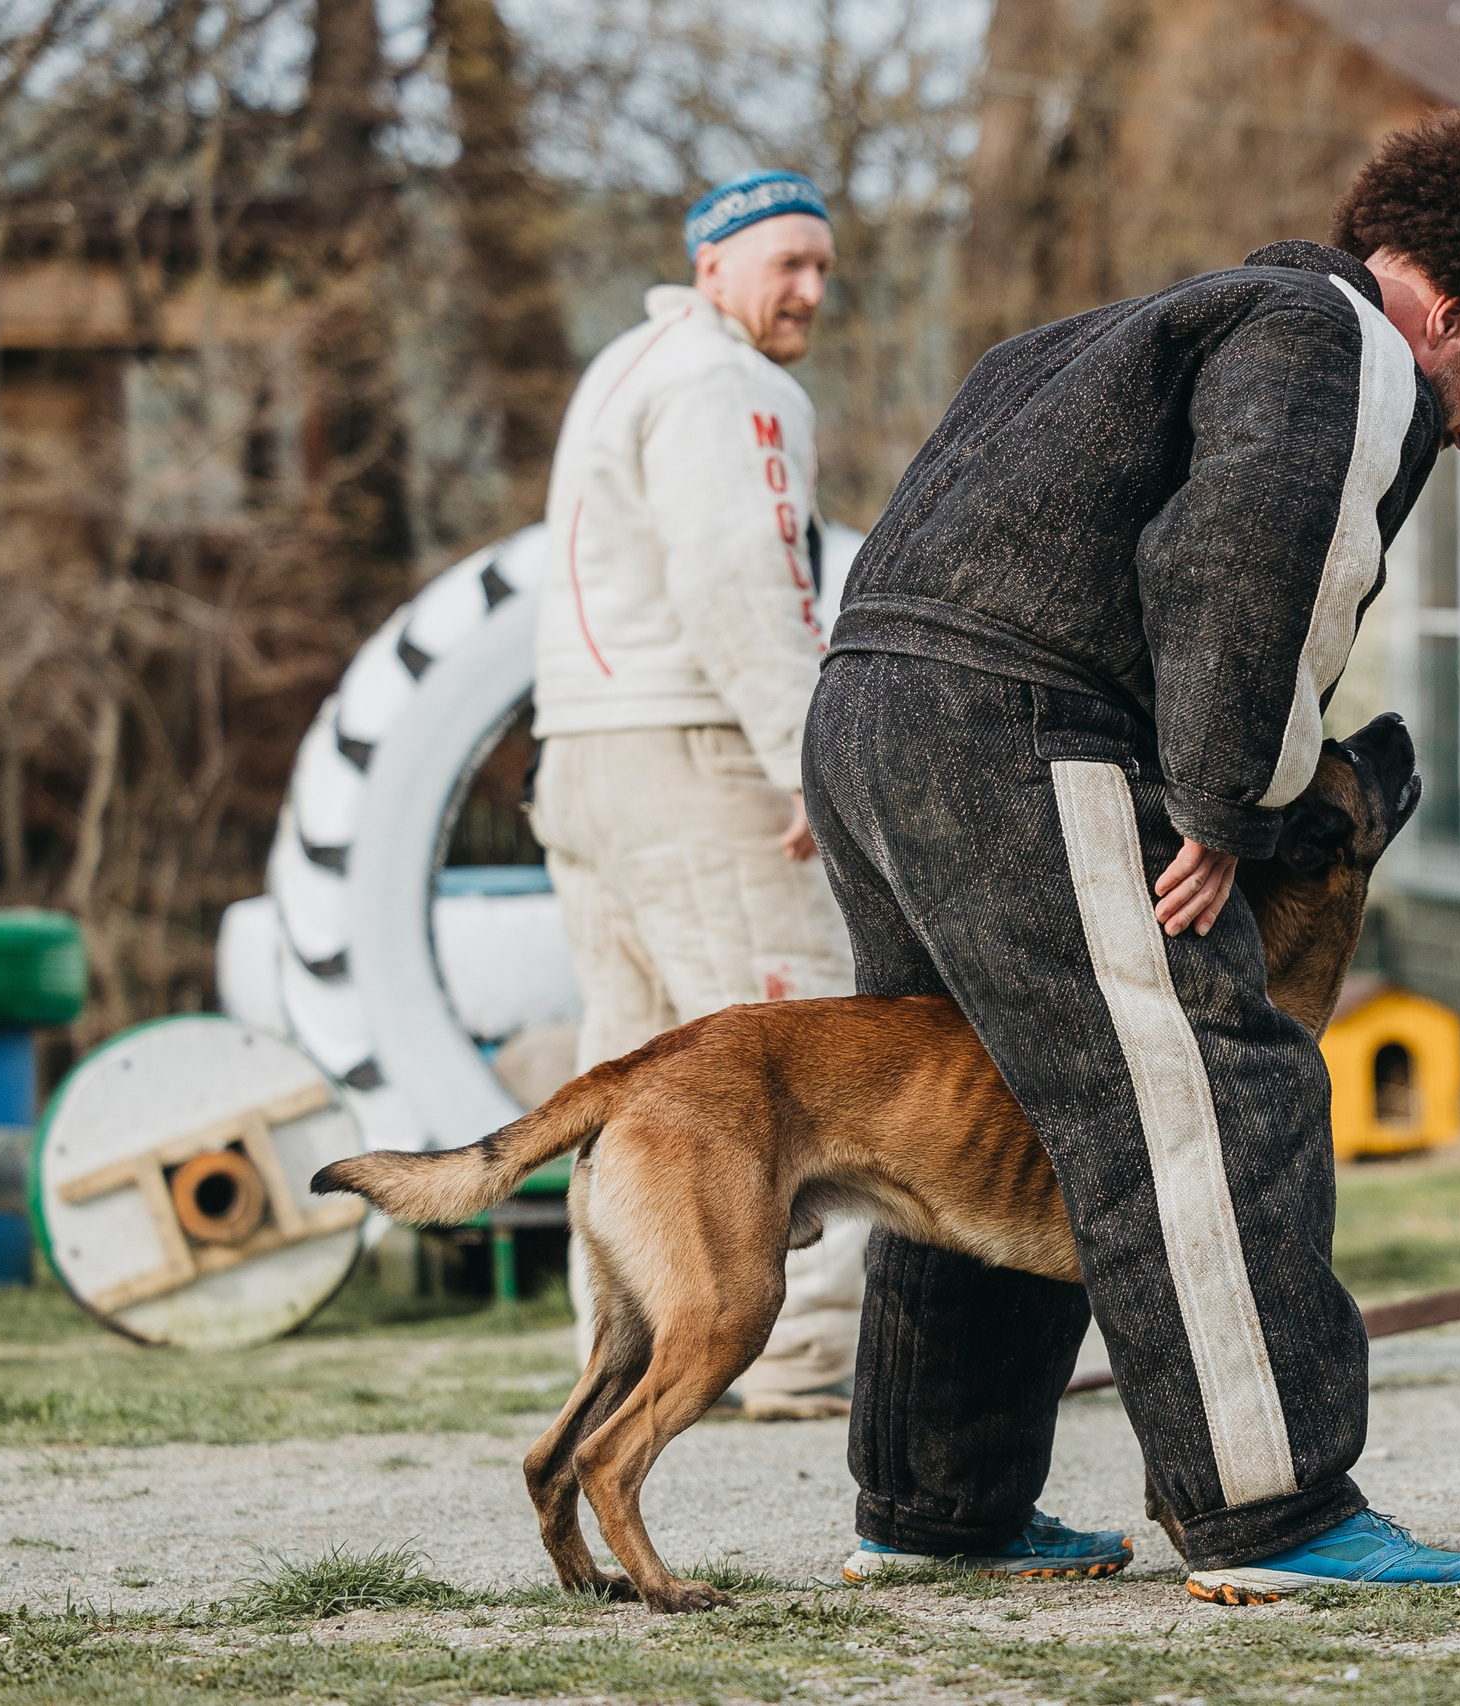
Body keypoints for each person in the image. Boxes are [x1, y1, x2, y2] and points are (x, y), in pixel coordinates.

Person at [804, 111, 1460, 1598]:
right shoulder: (1340, 347)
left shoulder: (1111, 332)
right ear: (1455, 310)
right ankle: (1276, 1511)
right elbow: (1246, 565)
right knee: (1211, 1084)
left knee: (975, 1091)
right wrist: (1224, 809)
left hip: (871, 711)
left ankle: (940, 1503)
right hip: (1023, 725)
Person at [529, 169, 865, 1417]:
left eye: (823, 268)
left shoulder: (627, 365)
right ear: (713, 264)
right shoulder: (731, 386)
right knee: (799, 1059)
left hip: (584, 756)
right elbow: (743, 583)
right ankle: (802, 1358)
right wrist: (805, 760)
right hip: (698, 756)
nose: (810, 290)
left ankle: (624, 1353)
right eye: (787, 263)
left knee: (621, 1083)